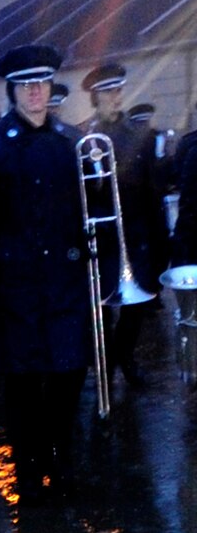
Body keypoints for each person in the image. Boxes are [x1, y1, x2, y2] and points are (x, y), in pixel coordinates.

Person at [0, 44, 88, 505]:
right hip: (14, 293)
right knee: (21, 390)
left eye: (42, 83)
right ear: (13, 91)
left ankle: (62, 462)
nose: (36, 92)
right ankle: (29, 472)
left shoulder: (71, 143)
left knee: (68, 381)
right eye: (26, 85)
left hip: (66, 286)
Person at [79, 63, 168, 386]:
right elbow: (84, 195)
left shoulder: (139, 135)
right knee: (102, 307)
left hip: (136, 233)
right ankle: (104, 362)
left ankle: (123, 357)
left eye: (118, 90)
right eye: (108, 92)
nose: (115, 97)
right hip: (103, 237)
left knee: (136, 306)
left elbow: (152, 189)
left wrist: (161, 242)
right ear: (95, 98)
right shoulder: (85, 138)